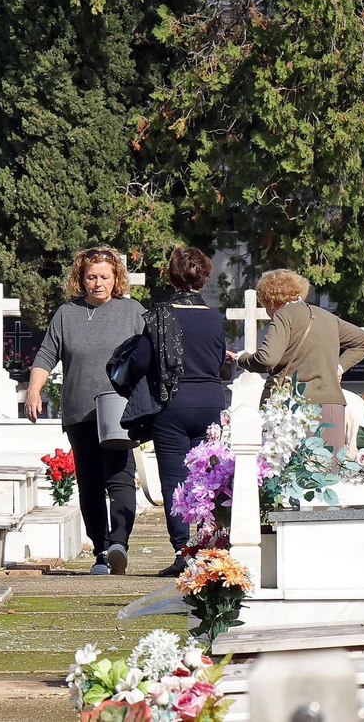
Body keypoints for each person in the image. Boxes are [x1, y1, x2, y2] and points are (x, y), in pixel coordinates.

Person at [27, 247, 145, 575]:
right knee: (90, 481)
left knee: (120, 475)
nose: (98, 283)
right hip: (79, 410)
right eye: (91, 277)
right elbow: (46, 355)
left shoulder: (132, 312)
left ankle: (119, 543)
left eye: (105, 276)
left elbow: (150, 355)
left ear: (116, 278)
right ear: (81, 278)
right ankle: (101, 550)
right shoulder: (67, 314)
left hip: (120, 409)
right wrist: (33, 391)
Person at [147, 247, 232, 577]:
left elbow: (142, 359)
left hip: (173, 401)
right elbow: (219, 359)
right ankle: (206, 547)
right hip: (210, 400)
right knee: (209, 478)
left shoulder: (160, 315)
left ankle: (183, 551)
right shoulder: (214, 317)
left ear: (172, 277)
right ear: (205, 277)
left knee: (175, 479)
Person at [230, 269, 364, 451]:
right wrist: (339, 367)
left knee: (290, 466)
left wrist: (242, 358)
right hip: (332, 404)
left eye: (265, 305)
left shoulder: (284, 315)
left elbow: (267, 359)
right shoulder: (326, 316)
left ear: (270, 300)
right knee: (328, 465)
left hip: (293, 406)